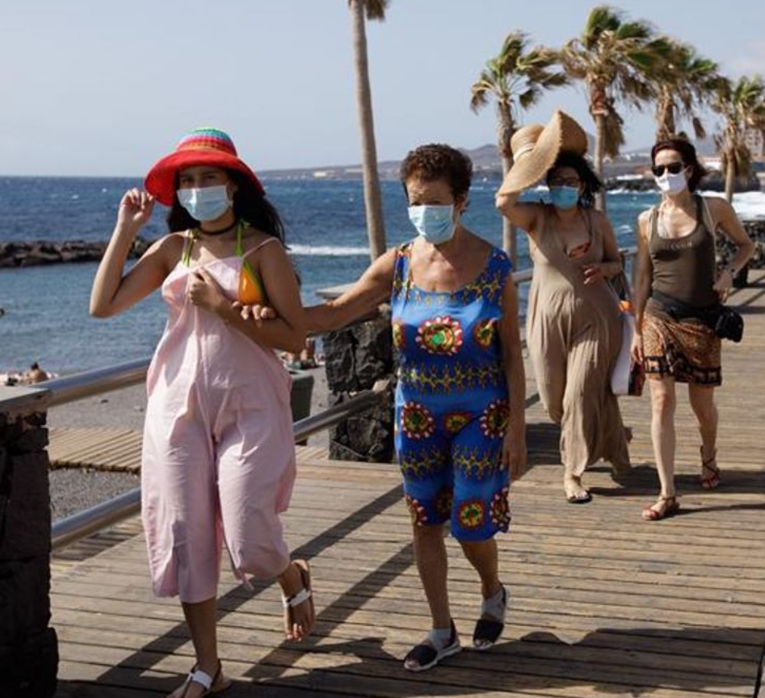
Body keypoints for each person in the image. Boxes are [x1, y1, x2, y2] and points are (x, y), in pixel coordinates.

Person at [89, 127, 314, 698]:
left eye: (207, 178)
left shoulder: (265, 251)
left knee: (249, 531)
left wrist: (226, 306)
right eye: (186, 181)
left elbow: (295, 339)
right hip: (176, 406)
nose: (196, 189)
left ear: (234, 186)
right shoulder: (173, 248)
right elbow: (103, 305)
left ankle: (291, 573)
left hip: (252, 404)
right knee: (187, 532)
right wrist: (125, 231)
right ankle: (208, 667)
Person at [297, 144, 525, 671]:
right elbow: (334, 313)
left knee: (471, 522)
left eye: (435, 201)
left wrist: (514, 428)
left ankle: (492, 590)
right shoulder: (397, 263)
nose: (424, 211)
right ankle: (441, 629)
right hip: (417, 414)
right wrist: (259, 313)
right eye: (415, 201)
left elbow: (512, 354)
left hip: (481, 414)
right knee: (425, 521)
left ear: (462, 200)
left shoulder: (495, 267)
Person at [495, 110, 631, 504]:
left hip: (596, 316)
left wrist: (603, 267)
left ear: (583, 184)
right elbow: (503, 202)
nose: (563, 187)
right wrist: (528, 163)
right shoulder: (536, 217)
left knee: (579, 394)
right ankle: (612, 434)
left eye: (571, 182)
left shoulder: (596, 220)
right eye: (556, 181)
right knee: (555, 400)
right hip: (546, 318)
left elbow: (617, 262)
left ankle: (572, 473)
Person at [632, 138, 756, 521]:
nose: (666, 175)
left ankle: (709, 453)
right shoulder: (646, 220)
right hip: (658, 315)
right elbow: (641, 278)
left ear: (689, 168)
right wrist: (636, 330)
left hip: (702, 319)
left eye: (673, 167)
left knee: (702, 407)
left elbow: (745, 246)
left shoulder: (713, 207)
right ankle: (667, 493)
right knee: (661, 401)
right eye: (659, 170)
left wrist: (727, 273)